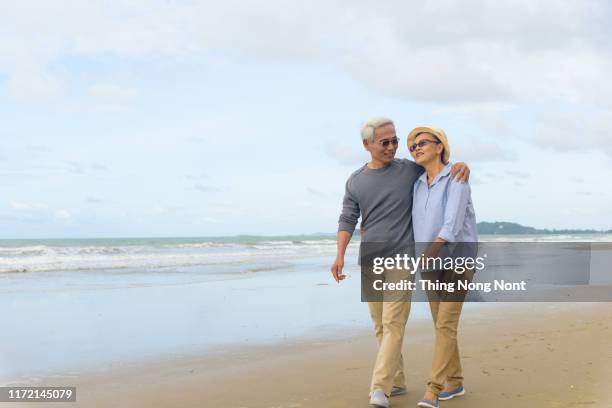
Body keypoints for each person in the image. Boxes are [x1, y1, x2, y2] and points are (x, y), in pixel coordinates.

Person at [331, 118, 470, 408]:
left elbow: (440, 163)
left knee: (395, 323)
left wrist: (461, 164)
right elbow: (348, 218)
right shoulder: (356, 180)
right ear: (367, 145)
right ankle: (398, 381)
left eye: (395, 141)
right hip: (371, 258)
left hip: (405, 258)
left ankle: (379, 388)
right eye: (386, 142)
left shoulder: (408, 170)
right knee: (380, 325)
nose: (394, 147)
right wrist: (340, 254)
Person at [407, 126, 478, 408]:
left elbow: (452, 225)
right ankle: (456, 381)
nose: (416, 148)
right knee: (442, 325)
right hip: (429, 261)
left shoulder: (457, 177)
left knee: (446, 324)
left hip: (456, 259)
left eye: (422, 142)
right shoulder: (416, 184)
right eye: (412, 146)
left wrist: (428, 254)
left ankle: (433, 390)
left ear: (440, 147)